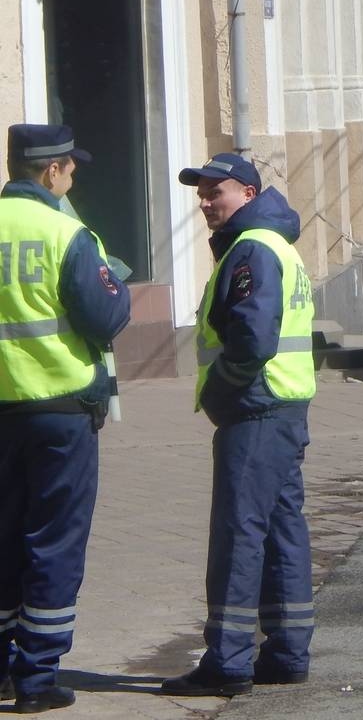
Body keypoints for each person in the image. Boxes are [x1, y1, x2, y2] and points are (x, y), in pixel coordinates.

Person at [160, 152, 315, 699]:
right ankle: (288, 649)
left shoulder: (251, 249)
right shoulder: (273, 241)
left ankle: (226, 660)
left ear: (248, 193)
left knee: (239, 532)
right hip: (282, 406)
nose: (205, 203)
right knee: (280, 528)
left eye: (215, 192)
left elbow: (252, 340)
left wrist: (222, 389)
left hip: (256, 407)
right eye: (201, 194)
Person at [0, 124, 130, 714]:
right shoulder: (67, 233)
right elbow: (104, 319)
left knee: (3, 538)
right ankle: (36, 677)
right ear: (51, 171)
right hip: (58, 413)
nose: (72, 177)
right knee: (52, 540)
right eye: (70, 169)